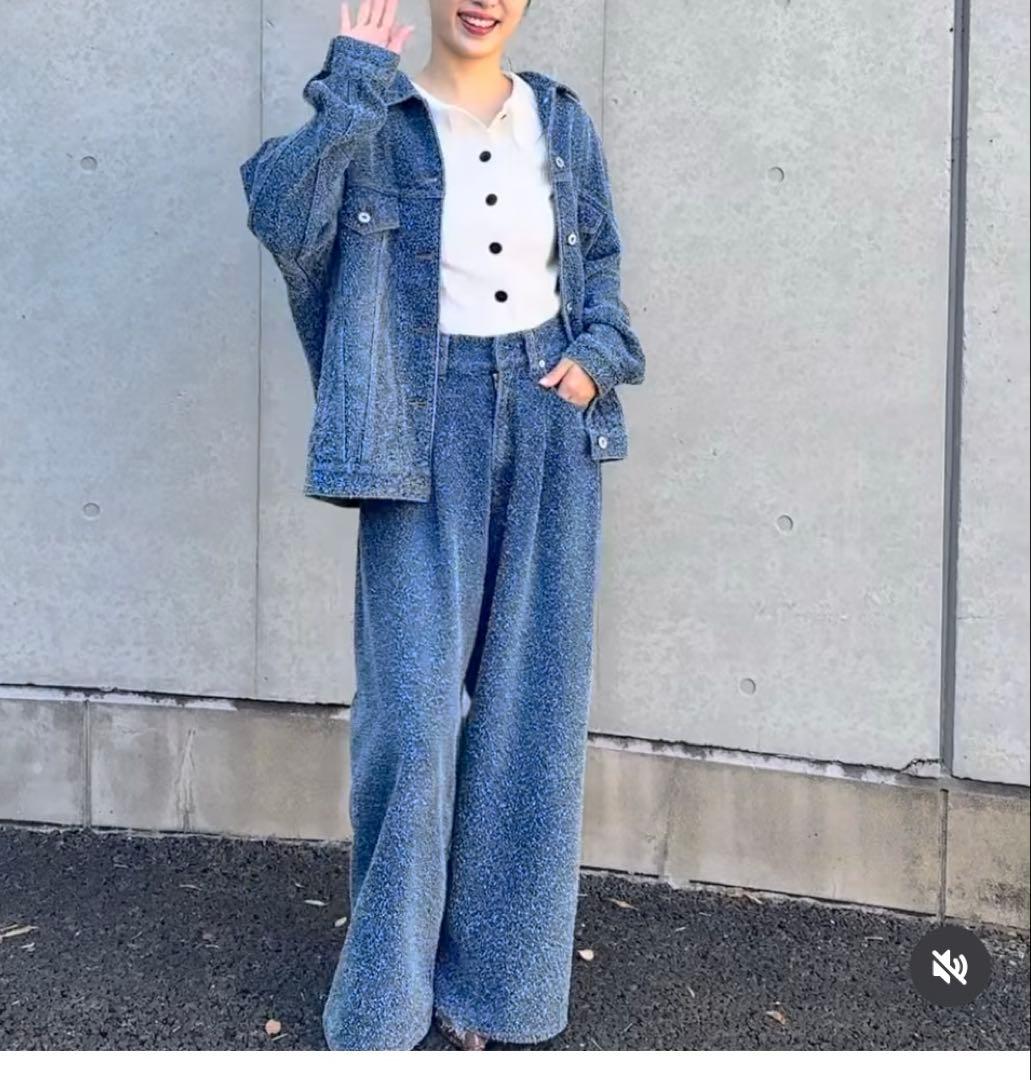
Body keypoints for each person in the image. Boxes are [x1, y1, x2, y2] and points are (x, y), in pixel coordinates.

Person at [240, 0, 646, 1052]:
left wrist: (595, 356)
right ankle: (382, 1006)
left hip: (551, 419)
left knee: (528, 718)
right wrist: (349, 83)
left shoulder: (558, 117)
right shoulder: (376, 117)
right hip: (419, 428)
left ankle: (494, 994)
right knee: (412, 723)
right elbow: (281, 219)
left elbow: (598, 257)